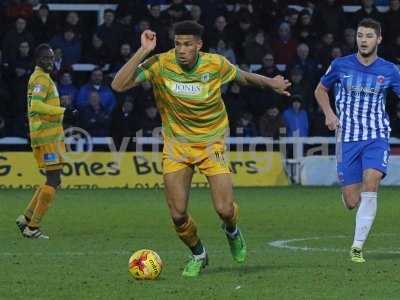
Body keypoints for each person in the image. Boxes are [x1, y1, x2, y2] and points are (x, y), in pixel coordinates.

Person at [111, 20, 291, 277]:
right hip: (177, 146)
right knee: (177, 214)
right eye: (177, 44)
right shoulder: (161, 63)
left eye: (187, 45)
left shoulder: (215, 64)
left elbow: (243, 76)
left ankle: (231, 230)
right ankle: (198, 253)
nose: (181, 50)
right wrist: (143, 51)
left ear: (199, 45)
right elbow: (118, 85)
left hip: (211, 143)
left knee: (225, 209)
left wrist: (271, 83)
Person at [314, 18, 400, 263]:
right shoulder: (340, 65)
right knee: (353, 201)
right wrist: (330, 114)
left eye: (369, 36)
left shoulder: (390, 70)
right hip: (347, 138)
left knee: (371, 181)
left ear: (379, 39)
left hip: (376, 135)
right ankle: (351, 196)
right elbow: (320, 90)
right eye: (360, 35)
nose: (363, 40)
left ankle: (357, 247)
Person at [15, 44, 67, 239]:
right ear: (37, 59)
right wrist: (64, 111)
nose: (49, 62)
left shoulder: (40, 78)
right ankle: (32, 227)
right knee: (54, 179)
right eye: (45, 58)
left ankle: (26, 219)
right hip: (46, 138)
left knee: (53, 179)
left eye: (51, 58)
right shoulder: (40, 79)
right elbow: (36, 105)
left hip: (48, 136)